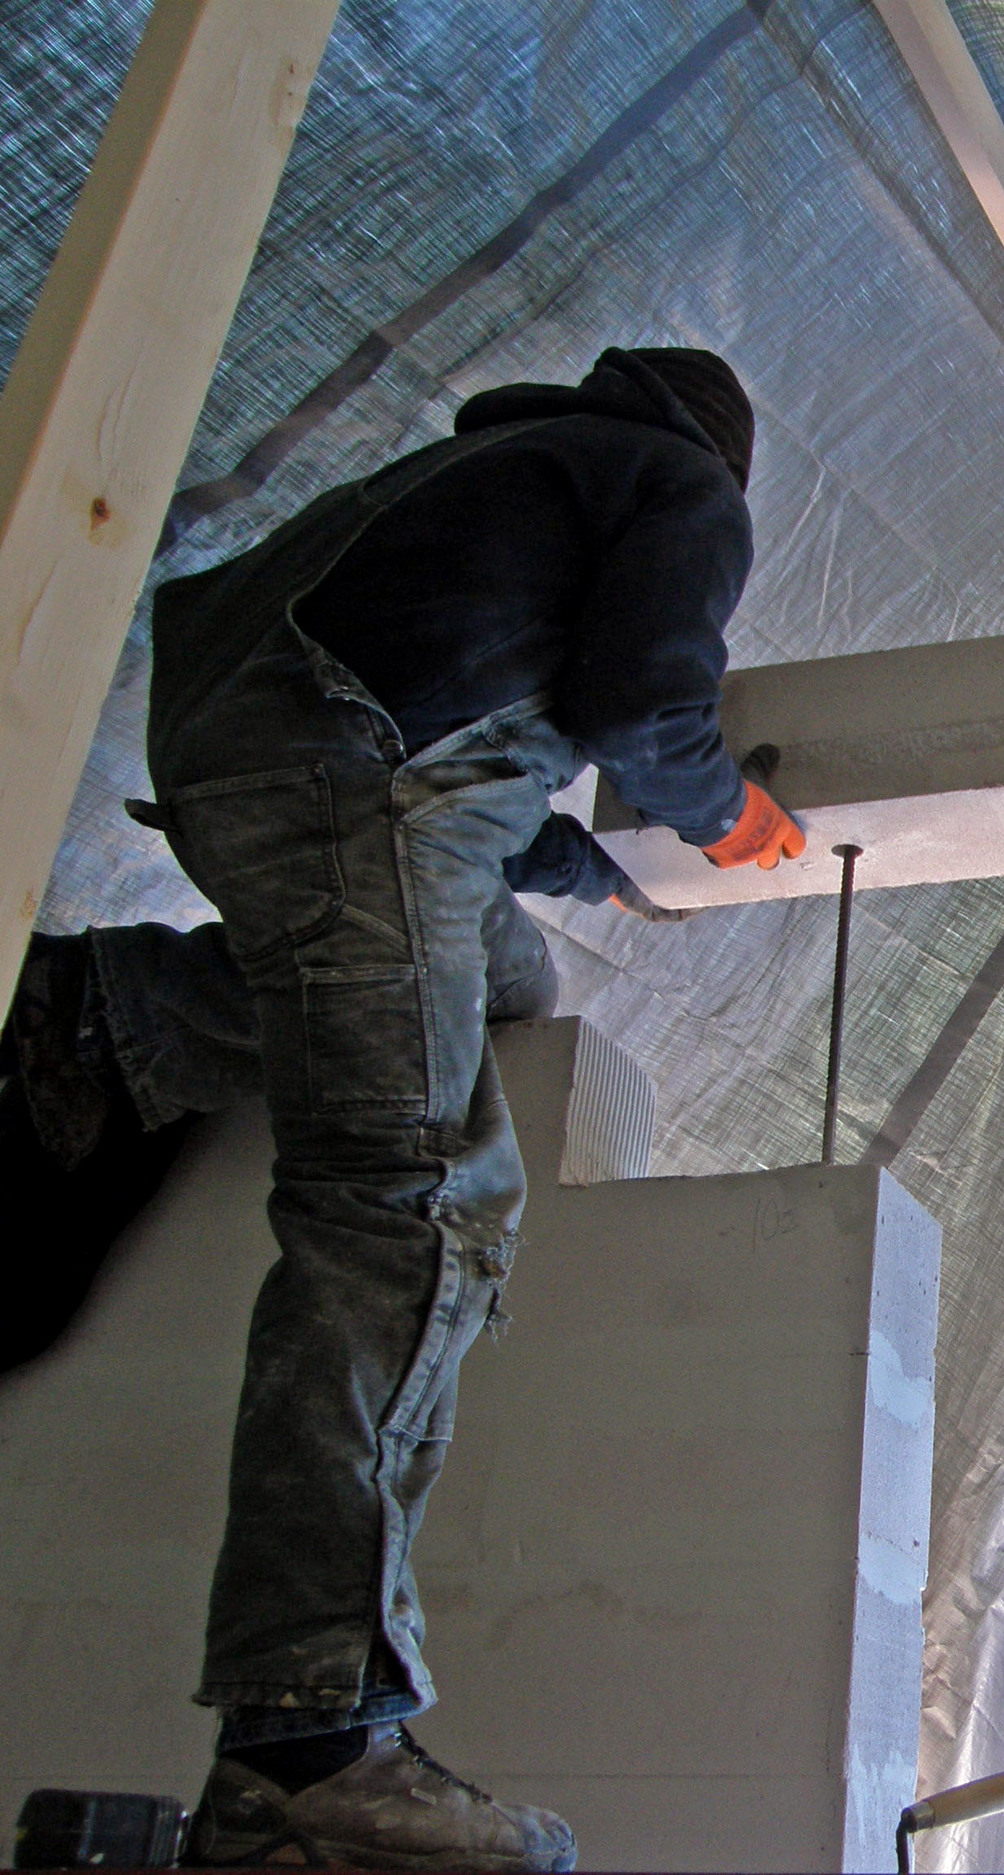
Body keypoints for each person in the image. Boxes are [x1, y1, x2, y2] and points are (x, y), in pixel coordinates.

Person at [0, 346, 805, 1869]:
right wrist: (724, 813)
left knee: (506, 985)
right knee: (414, 1205)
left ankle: (100, 1020)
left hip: (271, 759)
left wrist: (608, 877)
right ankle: (306, 1735)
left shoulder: (482, 477)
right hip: (358, 777)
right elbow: (643, 700)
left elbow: (476, 745)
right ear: (724, 465)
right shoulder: (684, 484)